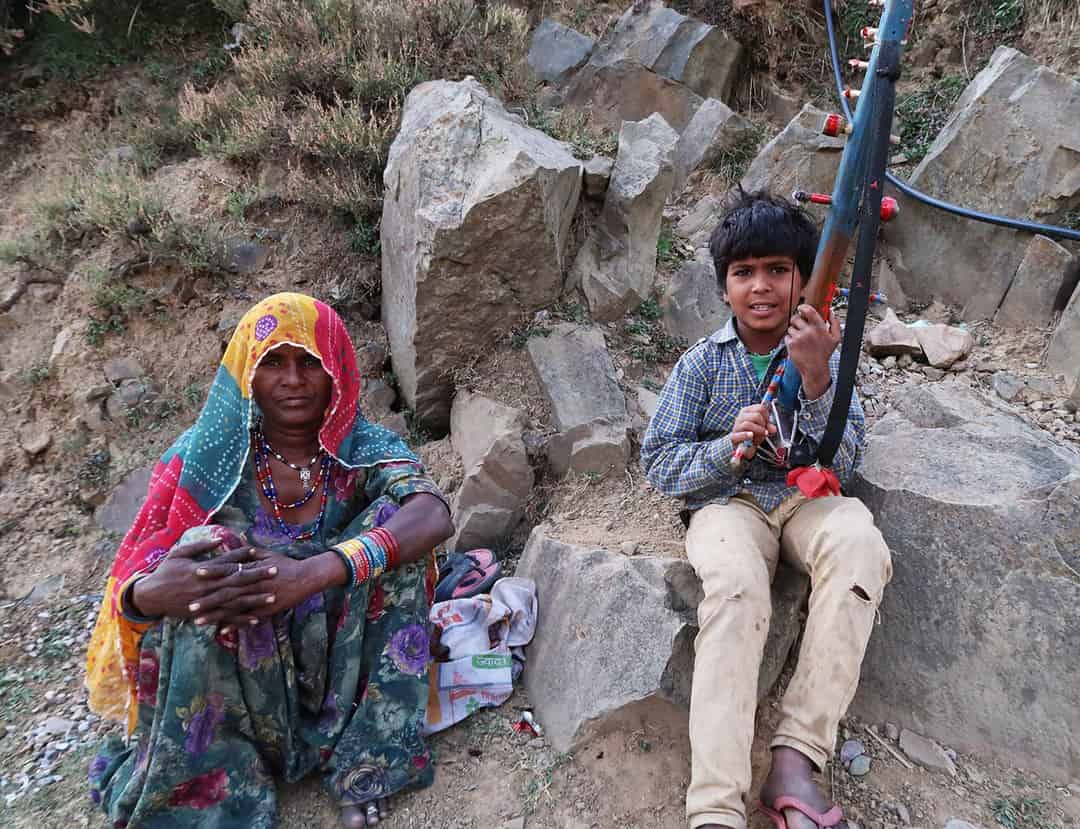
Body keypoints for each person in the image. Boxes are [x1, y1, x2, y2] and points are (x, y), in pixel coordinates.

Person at [84, 292, 455, 828]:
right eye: (273, 362)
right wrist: (149, 594)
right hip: (246, 665)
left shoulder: (363, 447)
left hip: (341, 656)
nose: (293, 380)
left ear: (336, 370)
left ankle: (364, 762)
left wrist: (311, 573)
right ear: (248, 374)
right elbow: (142, 570)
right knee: (206, 554)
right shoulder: (209, 456)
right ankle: (218, 784)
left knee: (393, 531)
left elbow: (433, 514)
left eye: (310, 362)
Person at [640, 191, 892, 829]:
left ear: (802, 279)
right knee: (735, 590)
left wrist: (817, 379)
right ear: (724, 286)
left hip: (806, 500)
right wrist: (725, 448)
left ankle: (796, 758)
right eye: (744, 273)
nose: (761, 287)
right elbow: (660, 462)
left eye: (778, 270)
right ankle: (715, 807)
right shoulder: (703, 363)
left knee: (860, 544)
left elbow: (847, 458)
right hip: (728, 506)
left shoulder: (822, 350)